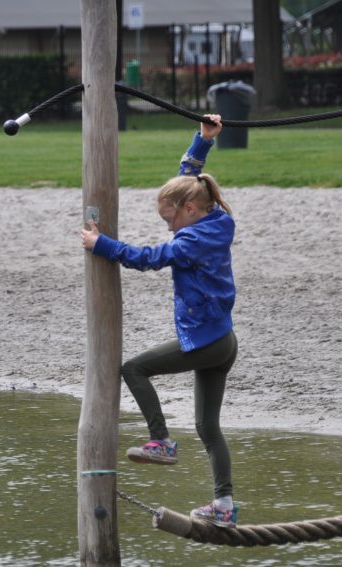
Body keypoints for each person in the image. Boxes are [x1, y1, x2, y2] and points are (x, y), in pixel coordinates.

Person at [79, 114, 240, 527]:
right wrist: (203, 140)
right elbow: (188, 177)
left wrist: (102, 245)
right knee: (208, 427)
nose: (168, 227)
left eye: (169, 219)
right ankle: (224, 507)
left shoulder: (189, 242)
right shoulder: (215, 218)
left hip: (206, 341)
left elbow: (149, 259)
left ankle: (162, 442)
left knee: (133, 368)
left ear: (188, 210)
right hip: (222, 341)